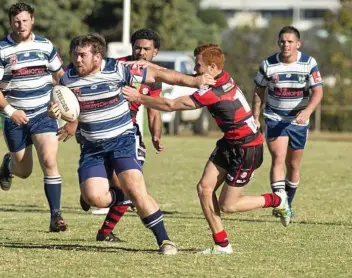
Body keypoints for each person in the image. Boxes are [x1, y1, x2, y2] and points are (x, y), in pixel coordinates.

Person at [50, 33, 215, 254]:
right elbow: (67, 107)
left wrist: (194, 81)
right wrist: (57, 113)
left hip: (122, 141)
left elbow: (159, 73)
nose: (77, 60)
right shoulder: (67, 78)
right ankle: (122, 197)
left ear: (98, 57)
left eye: (82, 55)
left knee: (137, 191)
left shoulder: (119, 69)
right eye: (74, 55)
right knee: (94, 198)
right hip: (92, 148)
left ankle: (165, 241)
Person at [122, 43, 292, 255]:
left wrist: (138, 97)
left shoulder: (214, 92)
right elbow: (187, 78)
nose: (195, 69)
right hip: (229, 143)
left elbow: (170, 105)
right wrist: (150, 67)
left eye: (198, 65)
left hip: (248, 148)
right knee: (204, 189)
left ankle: (277, 199)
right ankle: (222, 245)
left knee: (229, 205)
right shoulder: (220, 76)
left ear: (212, 67)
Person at [0, 2, 67, 232]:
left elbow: (60, 75)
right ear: (11, 23)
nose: (21, 25)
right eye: (16, 21)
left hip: (43, 113)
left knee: (49, 161)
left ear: (32, 20)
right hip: (15, 117)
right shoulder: (1, 50)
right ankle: (9, 164)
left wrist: (60, 102)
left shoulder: (45, 45)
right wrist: (11, 111)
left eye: (25, 20)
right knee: (24, 171)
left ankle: (55, 217)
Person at [89, 28, 165, 242]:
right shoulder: (116, 66)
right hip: (102, 130)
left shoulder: (154, 77)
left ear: (155, 52)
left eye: (146, 49)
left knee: (129, 186)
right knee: (122, 188)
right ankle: (92, 199)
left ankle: (104, 232)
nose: (141, 52)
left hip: (129, 133)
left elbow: (154, 111)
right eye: (138, 47)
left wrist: (156, 135)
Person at [252, 26, 323, 217]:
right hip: (275, 117)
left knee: (293, 165)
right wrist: (255, 115)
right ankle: (278, 203)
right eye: (283, 41)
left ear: (298, 44)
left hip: (298, 121)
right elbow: (259, 91)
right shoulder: (268, 64)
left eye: (290, 41)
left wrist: (307, 112)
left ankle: (287, 203)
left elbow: (318, 92)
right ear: (278, 43)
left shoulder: (308, 63)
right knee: (278, 158)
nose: (286, 45)